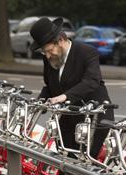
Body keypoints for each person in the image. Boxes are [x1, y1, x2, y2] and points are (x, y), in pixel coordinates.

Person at [29, 17, 114, 158]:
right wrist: (37, 104)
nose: (47, 55)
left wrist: (65, 96)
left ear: (60, 40)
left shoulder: (86, 52)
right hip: (67, 117)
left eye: (49, 50)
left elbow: (92, 81)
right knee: (64, 162)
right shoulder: (49, 57)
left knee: (84, 167)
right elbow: (50, 86)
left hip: (93, 117)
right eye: (44, 52)